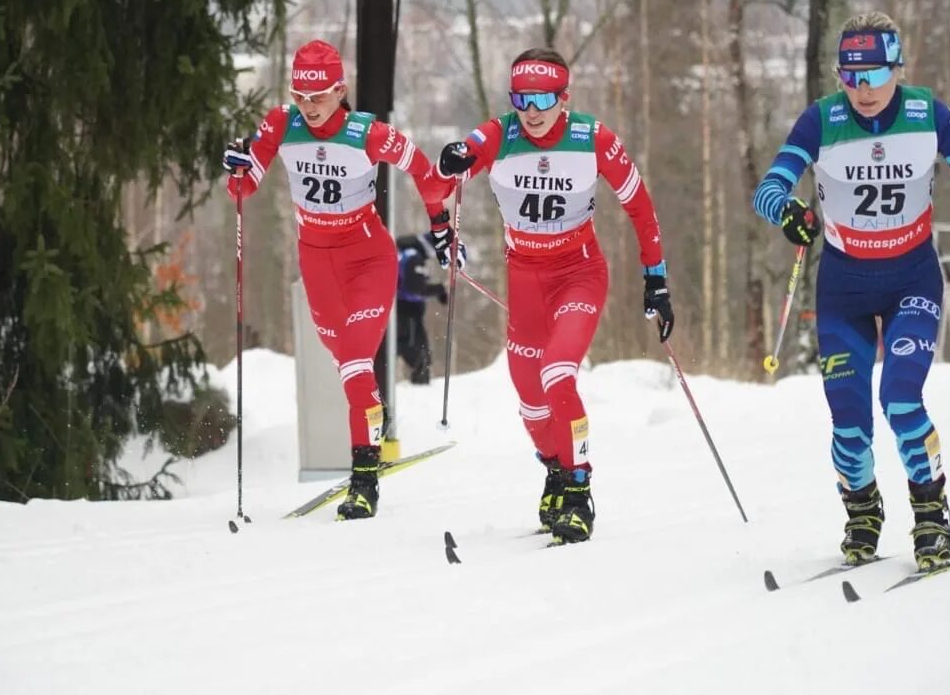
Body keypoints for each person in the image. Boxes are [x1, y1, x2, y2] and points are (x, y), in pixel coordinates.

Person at [751, 12, 950, 571]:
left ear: (897, 67)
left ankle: (930, 510)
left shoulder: (929, 116)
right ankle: (863, 507)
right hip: (843, 287)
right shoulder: (821, 121)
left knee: (900, 398)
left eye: (874, 74)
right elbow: (769, 188)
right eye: (850, 76)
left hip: (911, 281)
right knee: (848, 419)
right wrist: (787, 211)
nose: (863, 89)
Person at [435, 48, 674, 544]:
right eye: (521, 98)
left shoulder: (593, 139)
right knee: (530, 400)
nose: (532, 110)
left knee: (557, 375)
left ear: (564, 97)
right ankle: (556, 471)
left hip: (578, 273)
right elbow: (453, 169)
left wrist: (657, 278)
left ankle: (580, 487)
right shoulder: (501, 134)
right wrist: (450, 171)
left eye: (544, 98)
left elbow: (641, 208)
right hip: (525, 281)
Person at [221, 40, 462, 520]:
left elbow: (427, 173)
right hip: (316, 263)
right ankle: (372, 427)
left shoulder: (366, 132)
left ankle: (364, 478)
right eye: (301, 96)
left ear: (340, 90)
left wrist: (441, 227)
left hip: (369, 260)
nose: (309, 107)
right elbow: (244, 187)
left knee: (356, 363)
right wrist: (237, 167)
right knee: (345, 366)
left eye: (319, 96)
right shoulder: (280, 124)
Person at [395, 232, 448, 384]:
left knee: (411, 350)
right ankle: (419, 389)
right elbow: (414, 289)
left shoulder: (408, 254)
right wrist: (439, 289)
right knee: (418, 353)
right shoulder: (414, 257)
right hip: (406, 311)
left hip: (403, 311)